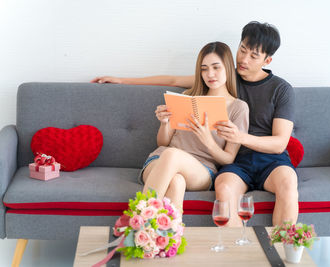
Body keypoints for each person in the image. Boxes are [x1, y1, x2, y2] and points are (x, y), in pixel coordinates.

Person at [91, 21, 298, 227]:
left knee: (288, 183)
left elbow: (280, 143)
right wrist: (123, 81)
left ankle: (138, 221)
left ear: (267, 59)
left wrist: (236, 137)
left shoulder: (278, 90)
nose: (243, 59)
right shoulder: (219, 76)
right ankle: (171, 239)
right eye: (242, 49)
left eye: (253, 56)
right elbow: (173, 81)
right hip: (234, 164)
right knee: (198, 183)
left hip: (263, 160)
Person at [133, 42, 249, 213]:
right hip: (160, 160)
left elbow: (228, 159)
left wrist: (207, 141)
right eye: (204, 69)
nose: (210, 74)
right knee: (177, 181)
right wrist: (164, 124)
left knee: (171, 154)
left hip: (202, 169)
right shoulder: (188, 97)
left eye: (216, 67)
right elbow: (162, 142)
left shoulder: (238, 107)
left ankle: (140, 222)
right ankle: (167, 237)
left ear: (229, 68)